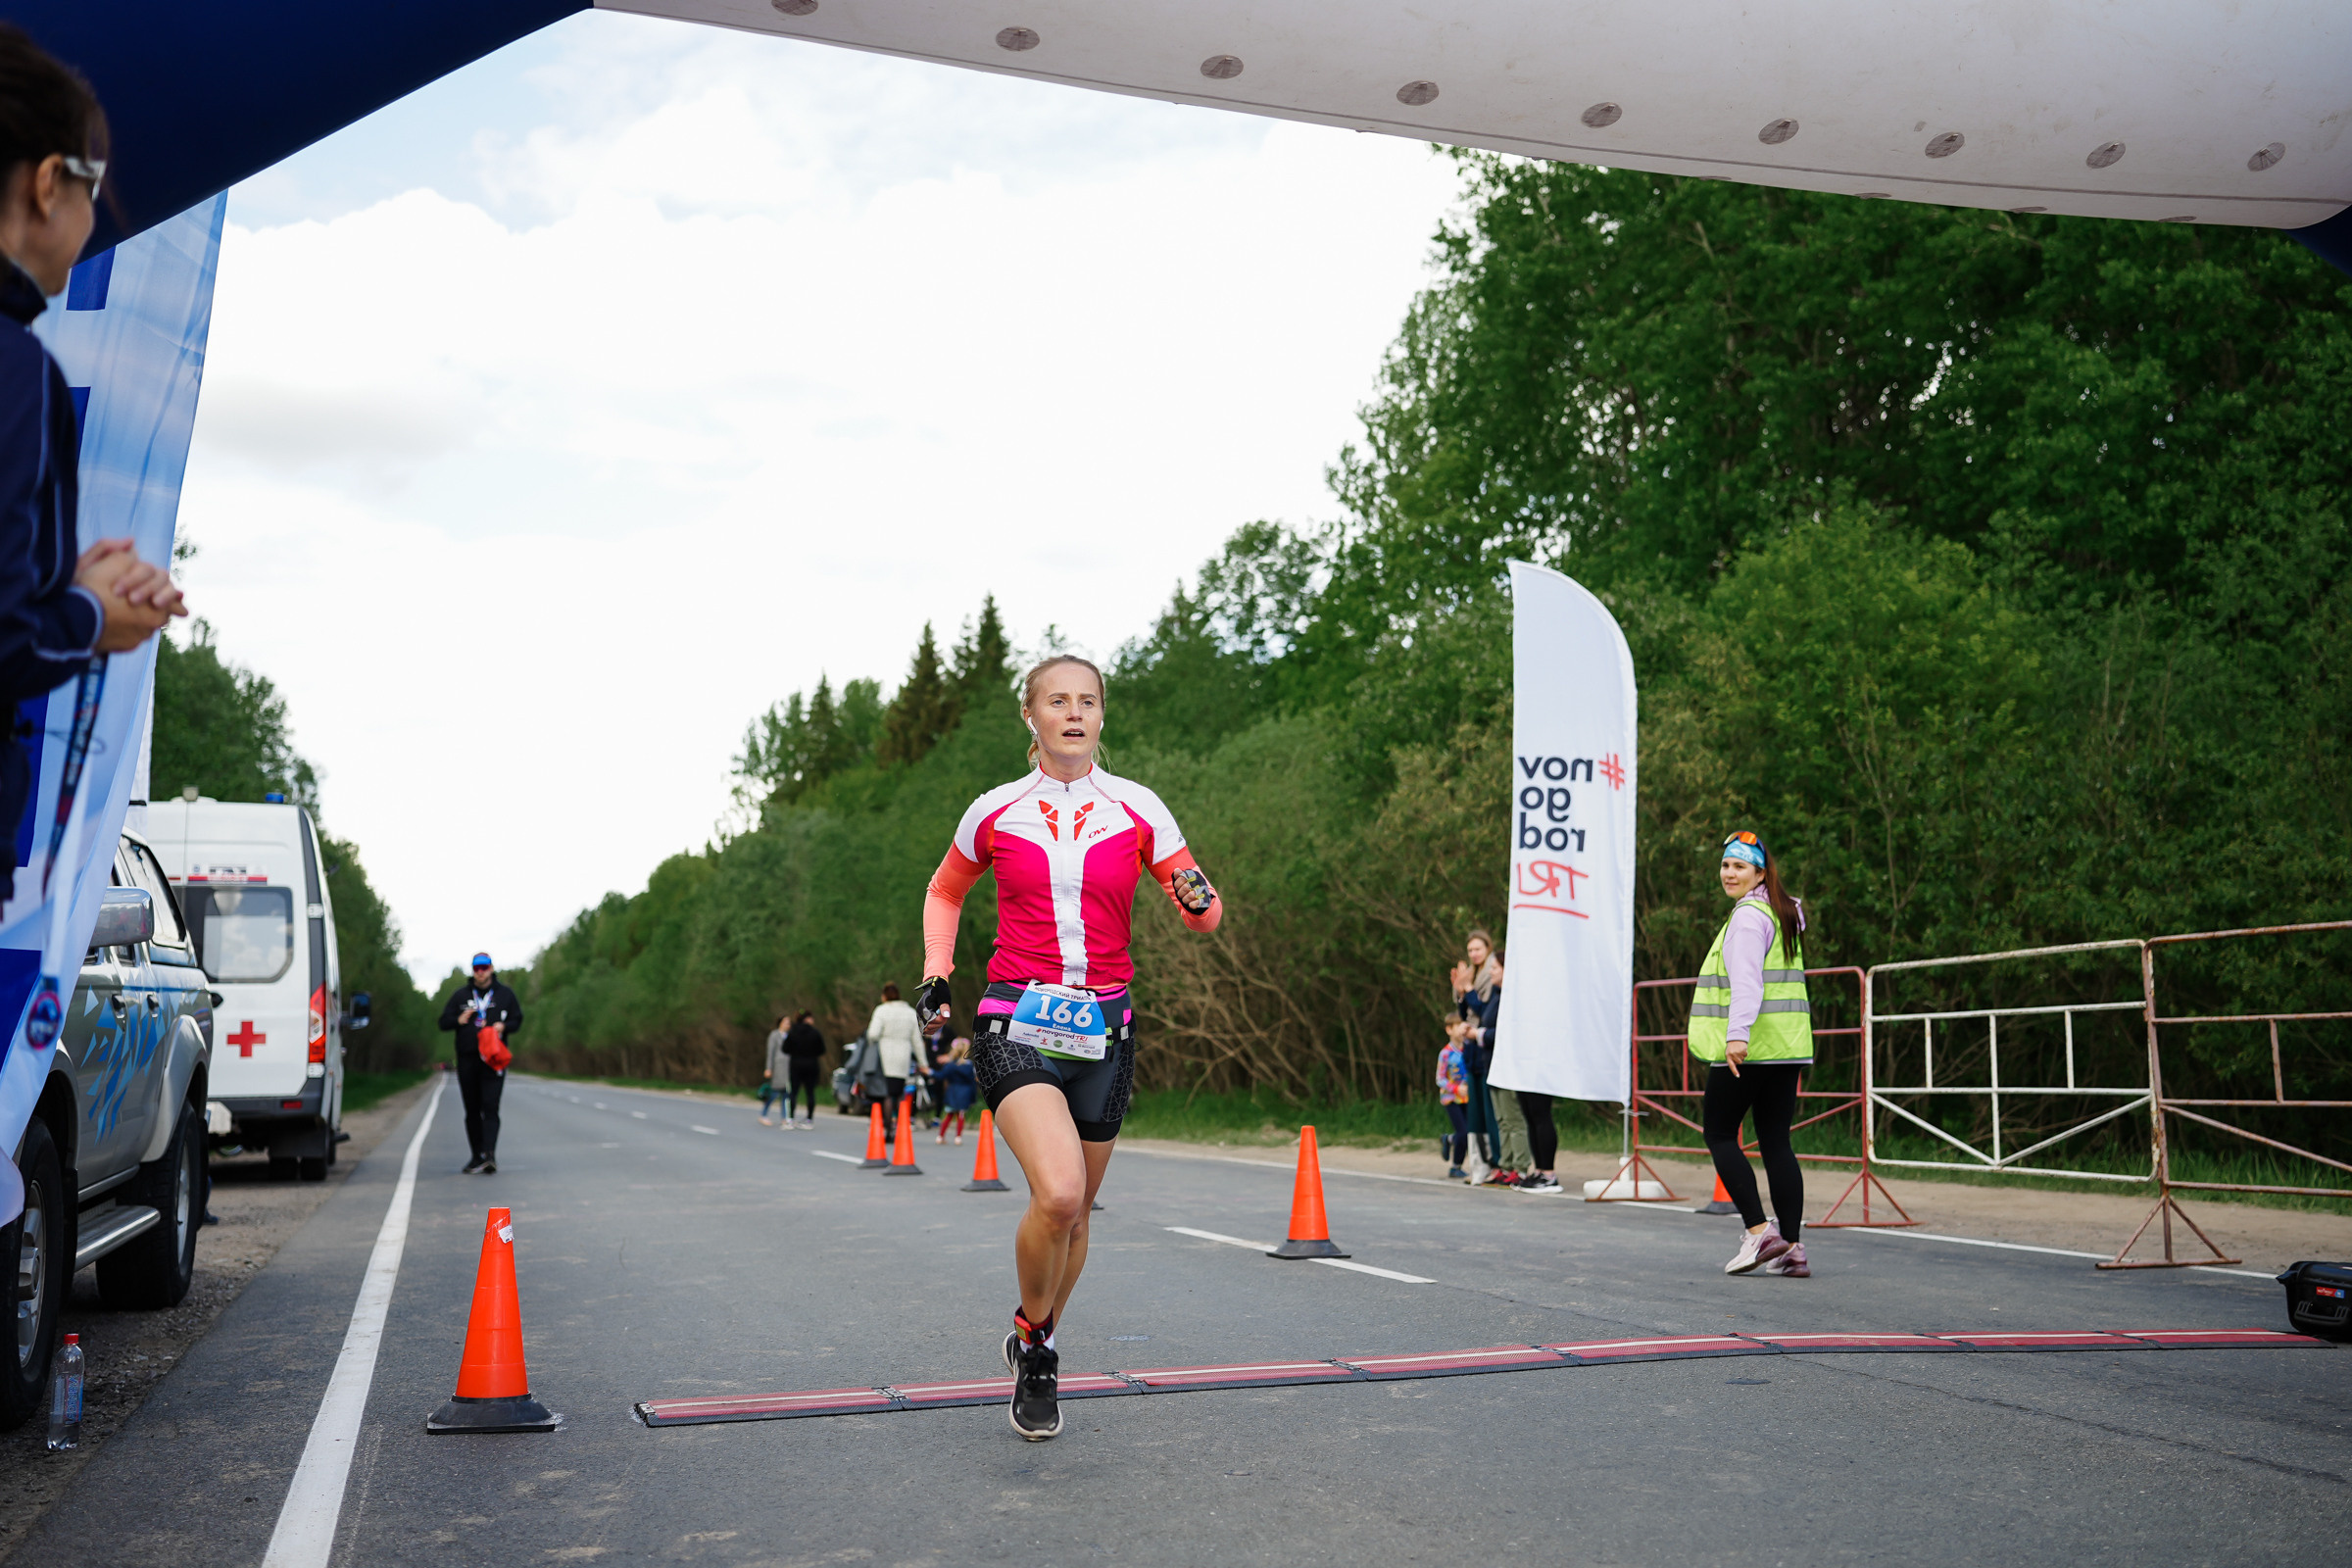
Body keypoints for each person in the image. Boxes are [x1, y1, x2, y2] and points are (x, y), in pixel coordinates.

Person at [917, 655, 1220, 1441]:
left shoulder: (1139, 807)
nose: (1074, 713)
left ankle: (1034, 1339)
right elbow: (946, 888)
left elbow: (1201, 911)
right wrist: (936, 973)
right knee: (1056, 1193)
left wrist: (1199, 900)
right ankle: (1040, 1349)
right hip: (1013, 1019)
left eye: (1087, 701)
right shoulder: (995, 810)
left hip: (1105, 1032)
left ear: (1102, 715)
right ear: (1032, 716)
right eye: (1058, 701)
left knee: (1078, 1215)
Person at [0, 27, 186, 899]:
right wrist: (87, 613)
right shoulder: (14, 370)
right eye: (92, 187)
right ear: (46, 185)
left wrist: (57, 586)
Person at [1688, 829, 1814, 1277]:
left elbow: (1747, 983)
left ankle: (1759, 1231)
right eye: (1725, 865)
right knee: (1777, 1141)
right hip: (1788, 1047)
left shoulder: (1747, 917)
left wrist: (1736, 1035)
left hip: (1749, 1047)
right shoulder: (1781, 914)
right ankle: (1793, 1249)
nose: (1729, 873)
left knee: (1719, 1133)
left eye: (1739, 866)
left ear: (1759, 872)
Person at [438, 954, 522, 1174]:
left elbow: (517, 1019)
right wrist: (459, 1020)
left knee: (491, 1107)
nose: (480, 972)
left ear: (491, 968)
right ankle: (477, 1156)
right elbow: (443, 1022)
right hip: (468, 1059)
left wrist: (503, 1027)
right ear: (472, 970)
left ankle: (490, 1155)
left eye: (484, 967)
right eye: (476, 968)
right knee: (472, 1109)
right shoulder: (461, 995)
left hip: (494, 1059)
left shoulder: (505, 994)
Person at [1448, 931, 1502, 1177]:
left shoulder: (1492, 973)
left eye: (1478, 949)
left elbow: (1484, 1010)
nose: (1474, 954)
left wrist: (1469, 989)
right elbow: (1465, 1010)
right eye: (1470, 950)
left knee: (1490, 1110)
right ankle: (1479, 1165)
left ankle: (1497, 1162)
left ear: (1488, 948)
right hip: (1470, 1048)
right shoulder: (1472, 972)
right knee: (1475, 1112)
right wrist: (1460, 992)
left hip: (1485, 1046)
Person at [865, 983, 923, 1119]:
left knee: (886, 1094)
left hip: (884, 1058)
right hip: (902, 1058)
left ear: (884, 996)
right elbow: (917, 1041)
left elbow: (873, 1034)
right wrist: (923, 1063)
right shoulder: (910, 1012)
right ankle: (898, 1122)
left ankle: (886, 1125)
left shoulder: (881, 1010)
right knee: (897, 1093)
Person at [1437, 1017, 1470, 1178]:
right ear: (1449, 1029)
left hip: (1468, 1098)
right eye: (1457, 1027)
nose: (1461, 1030)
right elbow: (1440, 1079)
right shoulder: (1445, 1054)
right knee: (1463, 1132)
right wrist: (1456, 1089)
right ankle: (1455, 1167)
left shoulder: (1469, 1050)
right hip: (1451, 1099)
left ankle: (1449, 1139)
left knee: (1469, 1133)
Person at [780, 1009, 826, 1126]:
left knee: (793, 1092)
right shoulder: (815, 1033)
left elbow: (785, 1049)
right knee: (810, 1092)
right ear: (807, 1019)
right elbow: (822, 1050)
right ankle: (809, 1119)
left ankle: (791, 1118)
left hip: (795, 1065)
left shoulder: (793, 1032)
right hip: (811, 1065)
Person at [935, 1038, 978, 1144]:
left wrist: (930, 1072)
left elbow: (941, 1076)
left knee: (949, 1115)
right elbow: (972, 1082)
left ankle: (940, 1136)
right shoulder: (968, 1066)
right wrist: (973, 1097)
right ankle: (958, 1137)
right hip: (964, 1093)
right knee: (961, 1116)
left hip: (952, 1092)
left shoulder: (950, 1065)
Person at [760, 1015, 792, 1126]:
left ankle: (784, 1117)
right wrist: (768, 1068)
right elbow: (770, 1053)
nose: (788, 1024)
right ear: (780, 1023)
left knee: (786, 1094)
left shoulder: (789, 1036)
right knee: (773, 1093)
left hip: (787, 1068)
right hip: (777, 1068)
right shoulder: (774, 1035)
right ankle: (763, 1114)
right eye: (786, 1022)